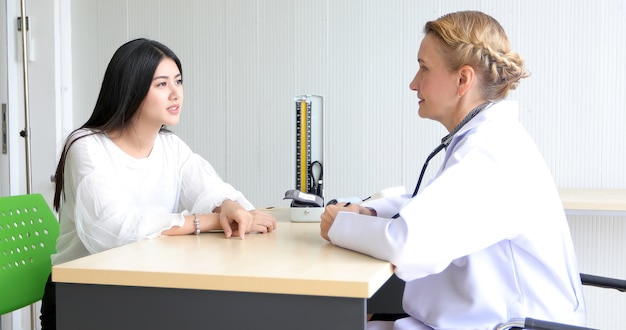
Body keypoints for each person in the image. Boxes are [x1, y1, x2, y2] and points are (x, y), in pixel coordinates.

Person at [320, 11, 586, 329]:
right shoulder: (485, 139)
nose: (413, 83)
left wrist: (340, 226)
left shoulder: (492, 152)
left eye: (424, 68)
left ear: (462, 80)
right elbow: (430, 206)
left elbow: (407, 246)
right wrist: (370, 212)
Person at [40, 38, 276, 329]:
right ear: (131, 89)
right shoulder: (86, 146)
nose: (176, 94)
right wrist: (209, 221)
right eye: (162, 84)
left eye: (178, 81)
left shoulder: (169, 146)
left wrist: (227, 206)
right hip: (82, 294)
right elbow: (112, 230)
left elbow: (209, 188)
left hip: (139, 286)